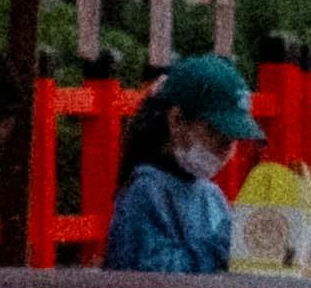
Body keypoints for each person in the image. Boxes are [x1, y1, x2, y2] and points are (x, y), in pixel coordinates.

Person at [105, 62, 254, 274]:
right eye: (215, 132)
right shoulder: (145, 192)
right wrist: (223, 247)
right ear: (176, 120)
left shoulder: (212, 196)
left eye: (232, 139)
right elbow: (151, 279)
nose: (225, 147)